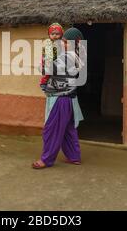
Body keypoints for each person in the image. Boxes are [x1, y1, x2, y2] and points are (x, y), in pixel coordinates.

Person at [32, 27, 85, 169]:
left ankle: (46, 159)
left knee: (51, 129)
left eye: (67, 42)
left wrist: (47, 52)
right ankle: (74, 156)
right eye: (64, 41)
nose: (63, 43)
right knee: (68, 130)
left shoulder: (69, 57)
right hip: (69, 99)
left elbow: (44, 69)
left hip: (61, 99)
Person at [39, 23, 64, 91]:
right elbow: (44, 56)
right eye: (52, 34)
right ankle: (43, 83)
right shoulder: (48, 44)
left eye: (57, 34)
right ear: (49, 35)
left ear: (61, 34)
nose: (54, 36)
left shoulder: (63, 44)